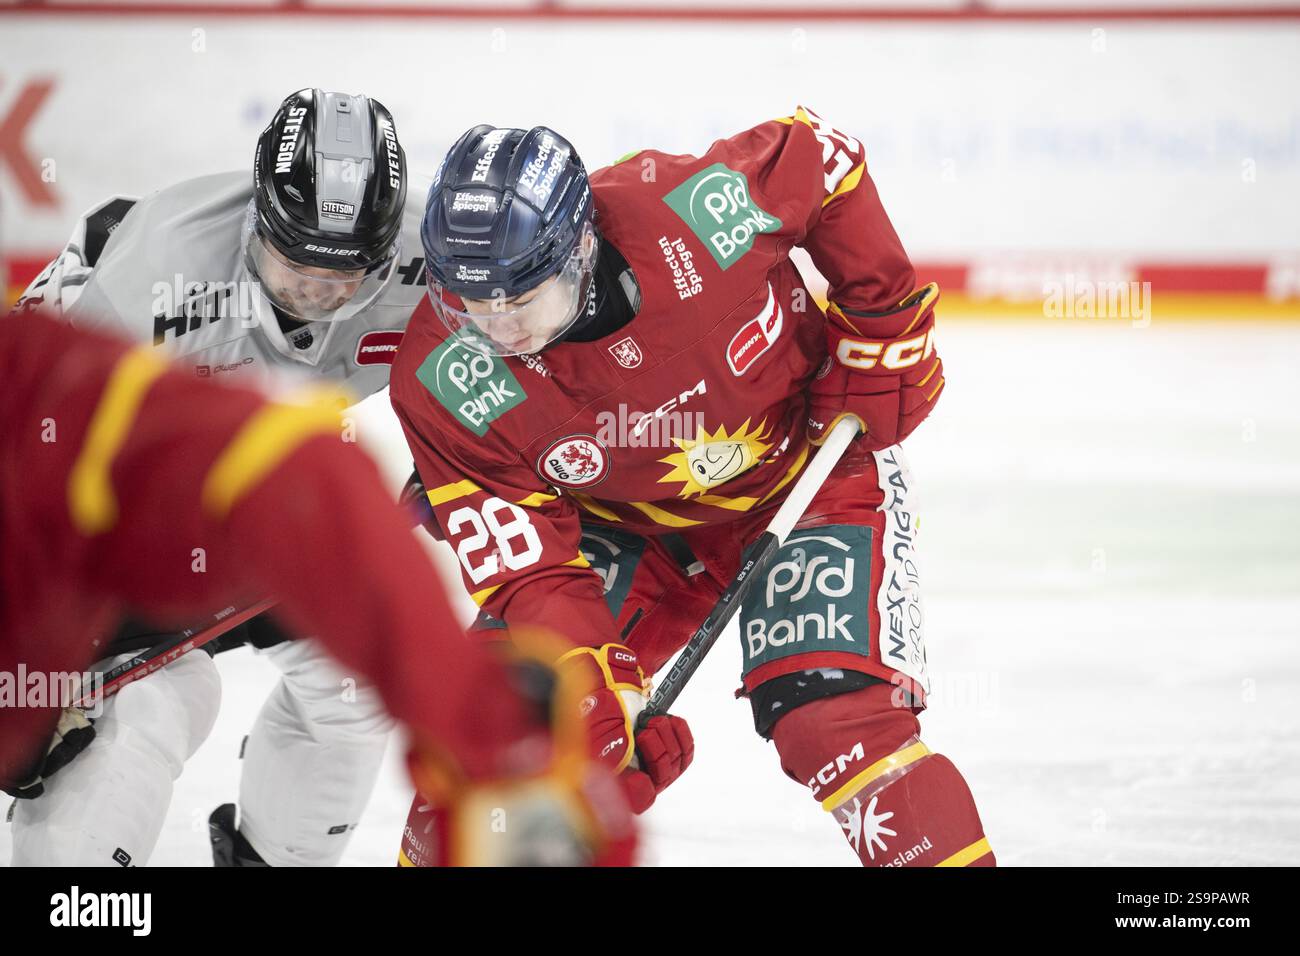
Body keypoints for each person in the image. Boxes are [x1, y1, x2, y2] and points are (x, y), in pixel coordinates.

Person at [389, 112, 994, 866]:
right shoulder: (441, 376)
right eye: (468, 303)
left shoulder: (691, 210)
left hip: (801, 475)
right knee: (505, 730)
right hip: (618, 525)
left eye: (518, 298)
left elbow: (826, 160)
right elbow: (529, 567)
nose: (494, 326)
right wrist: (593, 688)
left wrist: (883, 314)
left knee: (832, 719)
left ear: (581, 252)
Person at [0, 312, 635, 867]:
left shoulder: (33, 394)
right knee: (157, 707)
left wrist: (492, 736)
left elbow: (293, 475)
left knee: (328, 696)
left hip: (149, 575)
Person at [8, 88, 432, 866]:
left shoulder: (431, 260)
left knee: (355, 682)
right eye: (294, 263)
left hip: (270, 501)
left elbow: (525, 365)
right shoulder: (146, 276)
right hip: (113, 515)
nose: (315, 294)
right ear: (255, 223)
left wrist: (458, 462)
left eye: (344, 276)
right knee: (151, 706)